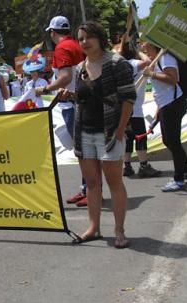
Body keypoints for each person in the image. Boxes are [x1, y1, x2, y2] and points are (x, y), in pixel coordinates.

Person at [62, 22, 135, 248]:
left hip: (110, 133)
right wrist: (70, 95)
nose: (84, 42)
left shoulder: (117, 63)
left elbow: (128, 99)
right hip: (84, 133)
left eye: (88, 37)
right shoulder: (79, 68)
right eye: (80, 38)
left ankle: (119, 230)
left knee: (114, 182)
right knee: (92, 184)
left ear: (99, 38)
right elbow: (85, 98)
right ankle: (93, 228)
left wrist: (120, 131)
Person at [36, 15, 87, 206]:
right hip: (78, 101)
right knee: (82, 150)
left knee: (83, 151)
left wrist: (46, 89)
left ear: (52, 32)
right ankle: (86, 188)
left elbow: (65, 77)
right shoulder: (75, 44)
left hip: (72, 103)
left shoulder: (62, 48)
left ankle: (90, 190)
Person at [142, 42, 187, 192]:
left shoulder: (165, 57)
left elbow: (173, 78)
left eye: (143, 43)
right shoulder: (156, 58)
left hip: (174, 103)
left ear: (152, 44)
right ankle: (185, 169)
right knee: (168, 141)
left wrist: (151, 74)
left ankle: (179, 179)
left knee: (173, 141)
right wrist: (156, 116)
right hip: (166, 105)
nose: (142, 45)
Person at [117, 45, 161, 178]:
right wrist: (139, 52)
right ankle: (143, 165)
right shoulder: (133, 63)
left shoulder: (118, 67)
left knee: (129, 138)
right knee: (140, 137)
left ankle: (127, 166)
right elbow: (149, 61)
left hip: (123, 109)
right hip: (134, 109)